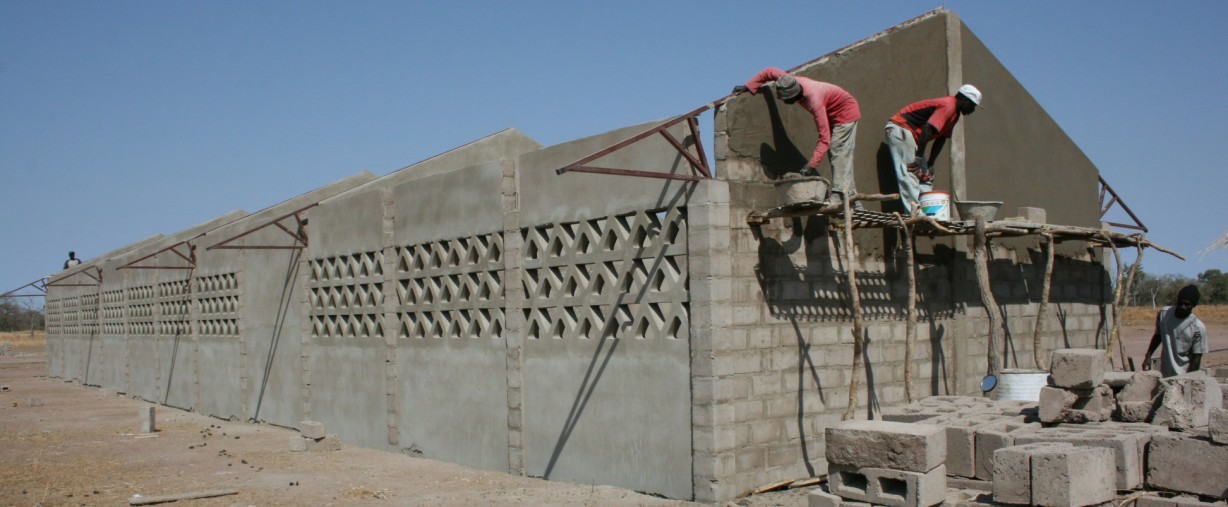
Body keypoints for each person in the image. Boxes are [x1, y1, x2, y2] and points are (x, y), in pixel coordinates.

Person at [733, 67, 861, 204]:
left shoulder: (814, 101)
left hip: (846, 114)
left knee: (838, 152)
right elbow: (769, 71)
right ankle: (854, 201)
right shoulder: (787, 80)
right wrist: (749, 86)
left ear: (796, 94)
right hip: (832, 113)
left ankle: (839, 195)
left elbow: (824, 139)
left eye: (788, 99)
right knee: (840, 157)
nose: (787, 103)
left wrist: (810, 165)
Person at [884, 84, 982, 214]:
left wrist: (931, 162)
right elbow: (927, 129)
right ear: (964, 101)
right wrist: (918, 158)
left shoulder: (955, 114)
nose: (972, 110)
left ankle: (929, 214)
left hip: (912, 137)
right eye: (972, 106)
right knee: (910, 173)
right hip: (900, 129)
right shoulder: (948, 106)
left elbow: (941, 138)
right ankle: (912, 215)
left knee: (925, 176)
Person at [1142, 284, 1207, 377]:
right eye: (1180, 303)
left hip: (1183, 373)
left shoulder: (1198, 327)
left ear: (1194, 305)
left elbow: (1197, 356)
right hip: (1165, 372)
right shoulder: (1163, 314)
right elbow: (1158, 336)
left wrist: (1190, 378)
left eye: (1187, 304)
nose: (1183, 307)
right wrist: (1148, 356)